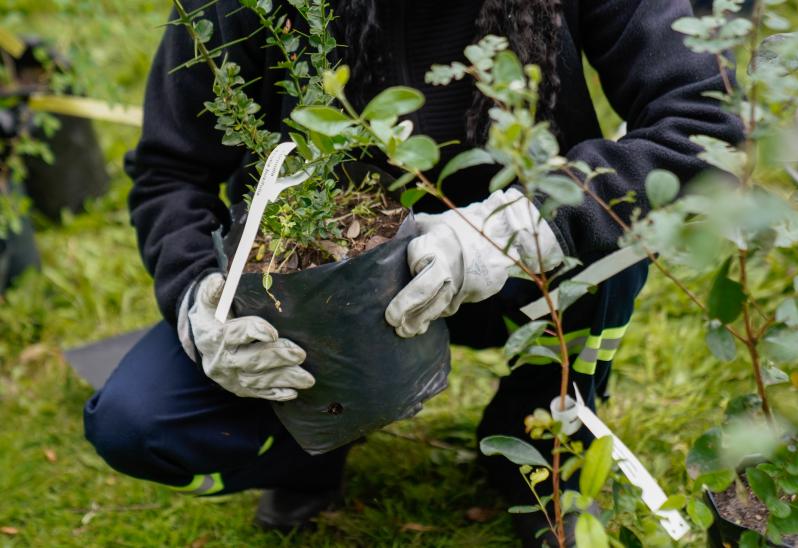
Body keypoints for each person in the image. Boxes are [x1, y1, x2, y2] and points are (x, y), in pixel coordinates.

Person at [83, 0, 743, 545]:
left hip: (520, 258)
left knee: (611, 235)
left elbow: (704, 121)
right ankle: (315, 435)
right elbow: (171, 172)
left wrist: (519, 230)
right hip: (312, 295)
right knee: (138, 423)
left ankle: (537, 435)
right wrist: (202, 298)